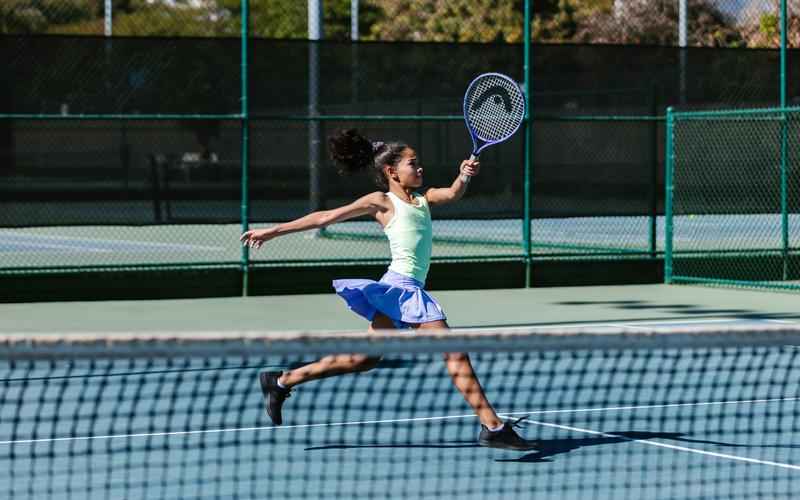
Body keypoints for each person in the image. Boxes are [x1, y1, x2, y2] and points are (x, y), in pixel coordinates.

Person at [240, 129, 537, 451]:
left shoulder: (425, 199)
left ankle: (281, 381)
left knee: (362, 359)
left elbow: (452, 194)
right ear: (391, 171)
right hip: (402, 289)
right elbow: (325, 216)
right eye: (413, 163)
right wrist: (273, 231)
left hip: (400, 290)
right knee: (453, 350)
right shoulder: (381, 202)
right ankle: (492, 426)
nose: (420, 168)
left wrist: (464, 176)